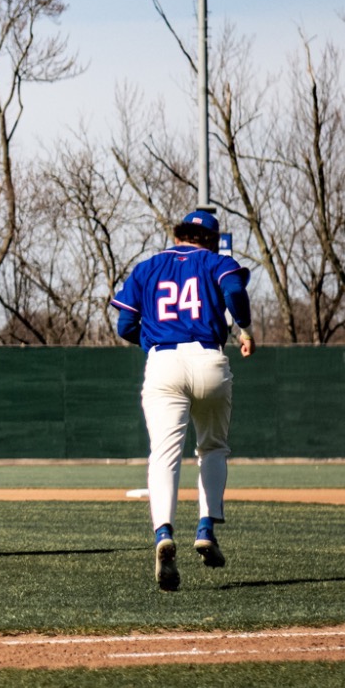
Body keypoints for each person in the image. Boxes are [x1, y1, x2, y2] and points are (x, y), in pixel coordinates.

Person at [113, 209, 257, 592]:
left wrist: (153, 342)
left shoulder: (147, 267)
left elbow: (124, 324)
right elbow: (234, 291)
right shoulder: (216, 261)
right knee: (212, 448)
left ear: (179, 236)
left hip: (163, 362)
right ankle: (206, 526)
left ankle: (163, 533)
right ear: (209, 239)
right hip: (208, 358)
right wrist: (244, 329)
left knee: (164, 454)